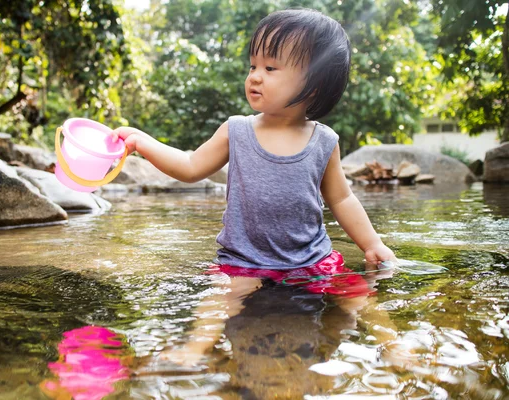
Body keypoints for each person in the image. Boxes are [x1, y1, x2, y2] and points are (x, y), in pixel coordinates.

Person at [112, 8, 396, 273]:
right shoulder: (236, 130)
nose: (255, 77)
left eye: (270, 68)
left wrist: (372, 244)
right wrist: (143, 142)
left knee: (357, 300)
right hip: (243, 261)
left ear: (314, 85)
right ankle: (204, 330)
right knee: (216, 309)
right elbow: (189, 166)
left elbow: (343, 199)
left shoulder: (323, 141)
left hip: (311, 259)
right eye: (252, 66)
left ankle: (382, 328)